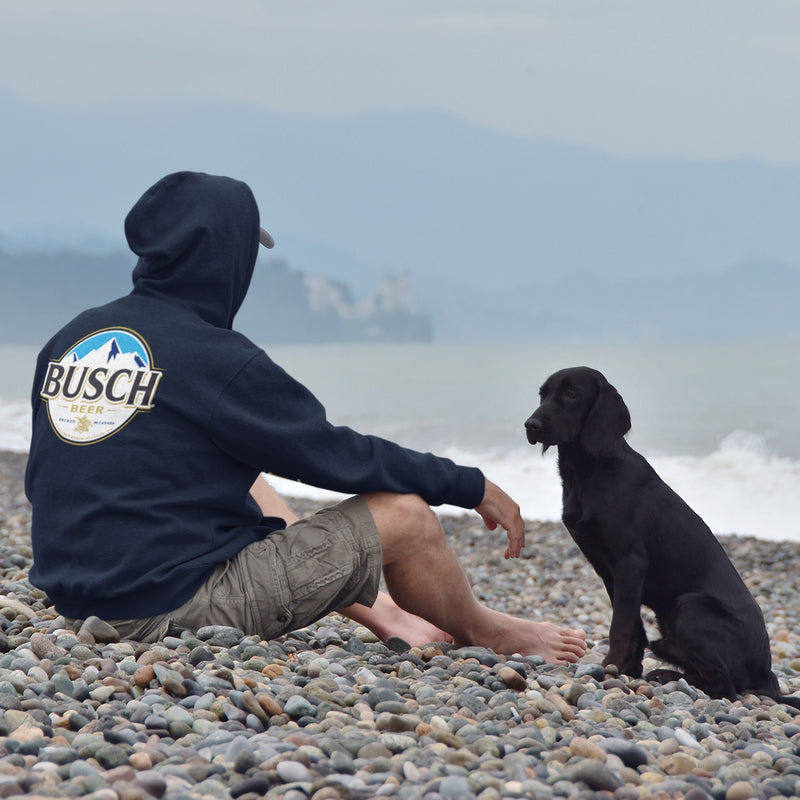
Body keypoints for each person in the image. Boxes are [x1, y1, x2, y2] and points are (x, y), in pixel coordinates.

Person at [24, 171, 586, 664]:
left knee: (236, 463)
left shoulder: (73, 338)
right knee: (407, 516)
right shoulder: (215, 358)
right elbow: (337, 456)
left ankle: (387, 614)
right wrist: (468, 484)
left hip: (79, 601)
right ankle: (487, 631)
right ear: (226, 258)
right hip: (165, 609)